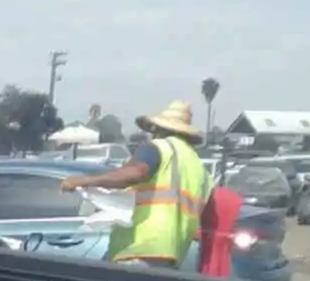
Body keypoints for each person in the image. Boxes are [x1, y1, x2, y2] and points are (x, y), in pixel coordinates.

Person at [60, 100, 208, 267]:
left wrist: (84, 181)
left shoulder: (157, 147)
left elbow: (135, 173)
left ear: (158, 128)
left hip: (139, 246)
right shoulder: (199, 167)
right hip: (172, 254)